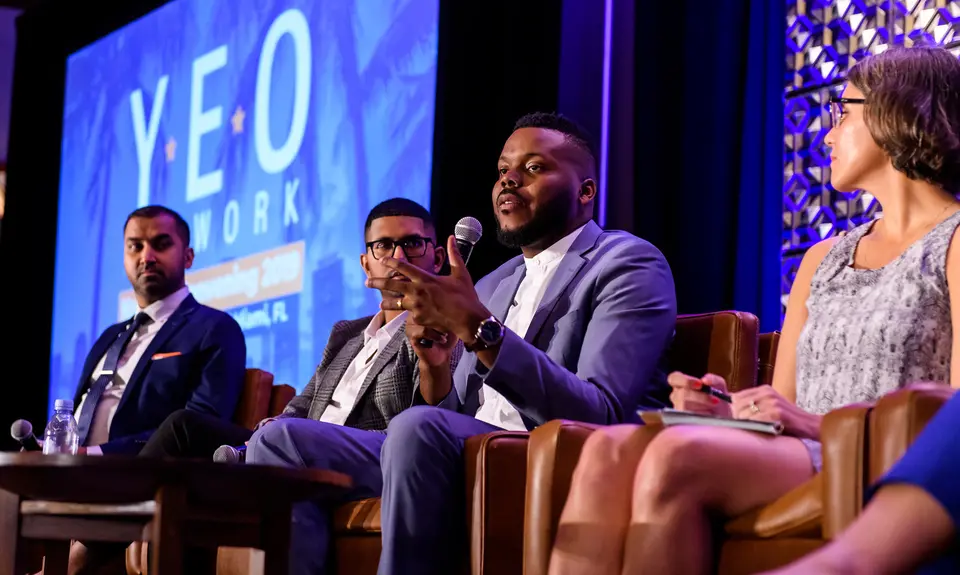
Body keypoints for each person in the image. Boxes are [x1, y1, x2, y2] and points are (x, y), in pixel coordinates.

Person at [544, 45, 960, 575]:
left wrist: (811, 423)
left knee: (676, 460)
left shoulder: (953, 241)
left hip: (880, 455)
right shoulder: (823, 258)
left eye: (843, 112)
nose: (828, 135)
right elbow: (782, 403)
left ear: (896, 111)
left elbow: (955, 412)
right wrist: (729, 411)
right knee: (607, 451)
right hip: (798, 450)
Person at [247, 111, 677, 574]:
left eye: (533, 168)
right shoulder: (494, 282)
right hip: (462, 449)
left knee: (416, 428)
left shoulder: (626, 263)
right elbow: (455, 418)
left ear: (585, 191)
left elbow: (601, 412)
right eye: (502, 170)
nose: (508, 181)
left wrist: (479, 329)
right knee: (279, 440)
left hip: (542, 454)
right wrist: (433, 367)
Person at [64, 198, 457, 575]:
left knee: (190, 427)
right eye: (384, 245)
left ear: (436, 257)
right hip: (295, 446)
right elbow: (301, 407)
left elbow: (427, 418)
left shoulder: (444, 327)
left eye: (412, 244)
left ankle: (85, 550)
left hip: (362, 454)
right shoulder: (346, 333)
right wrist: (274, 430)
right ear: (365, 261)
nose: (398, 257)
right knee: (264, 442)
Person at [56, 205, 246, 574]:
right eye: (135, 246)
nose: (147, 256)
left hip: (136, 477)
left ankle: (82, 556)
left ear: (188, 255)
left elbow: (198, 424)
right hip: (69, 472)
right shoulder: (109, 337)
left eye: (160, 244)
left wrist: (100, 454)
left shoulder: (214, 328)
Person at [763, 388, 960, 574]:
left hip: (854, 439)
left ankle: (841, 564)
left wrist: (818, 424)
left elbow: (949, 393)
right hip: (795, 439)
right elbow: (780, 401)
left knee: (845, 563)